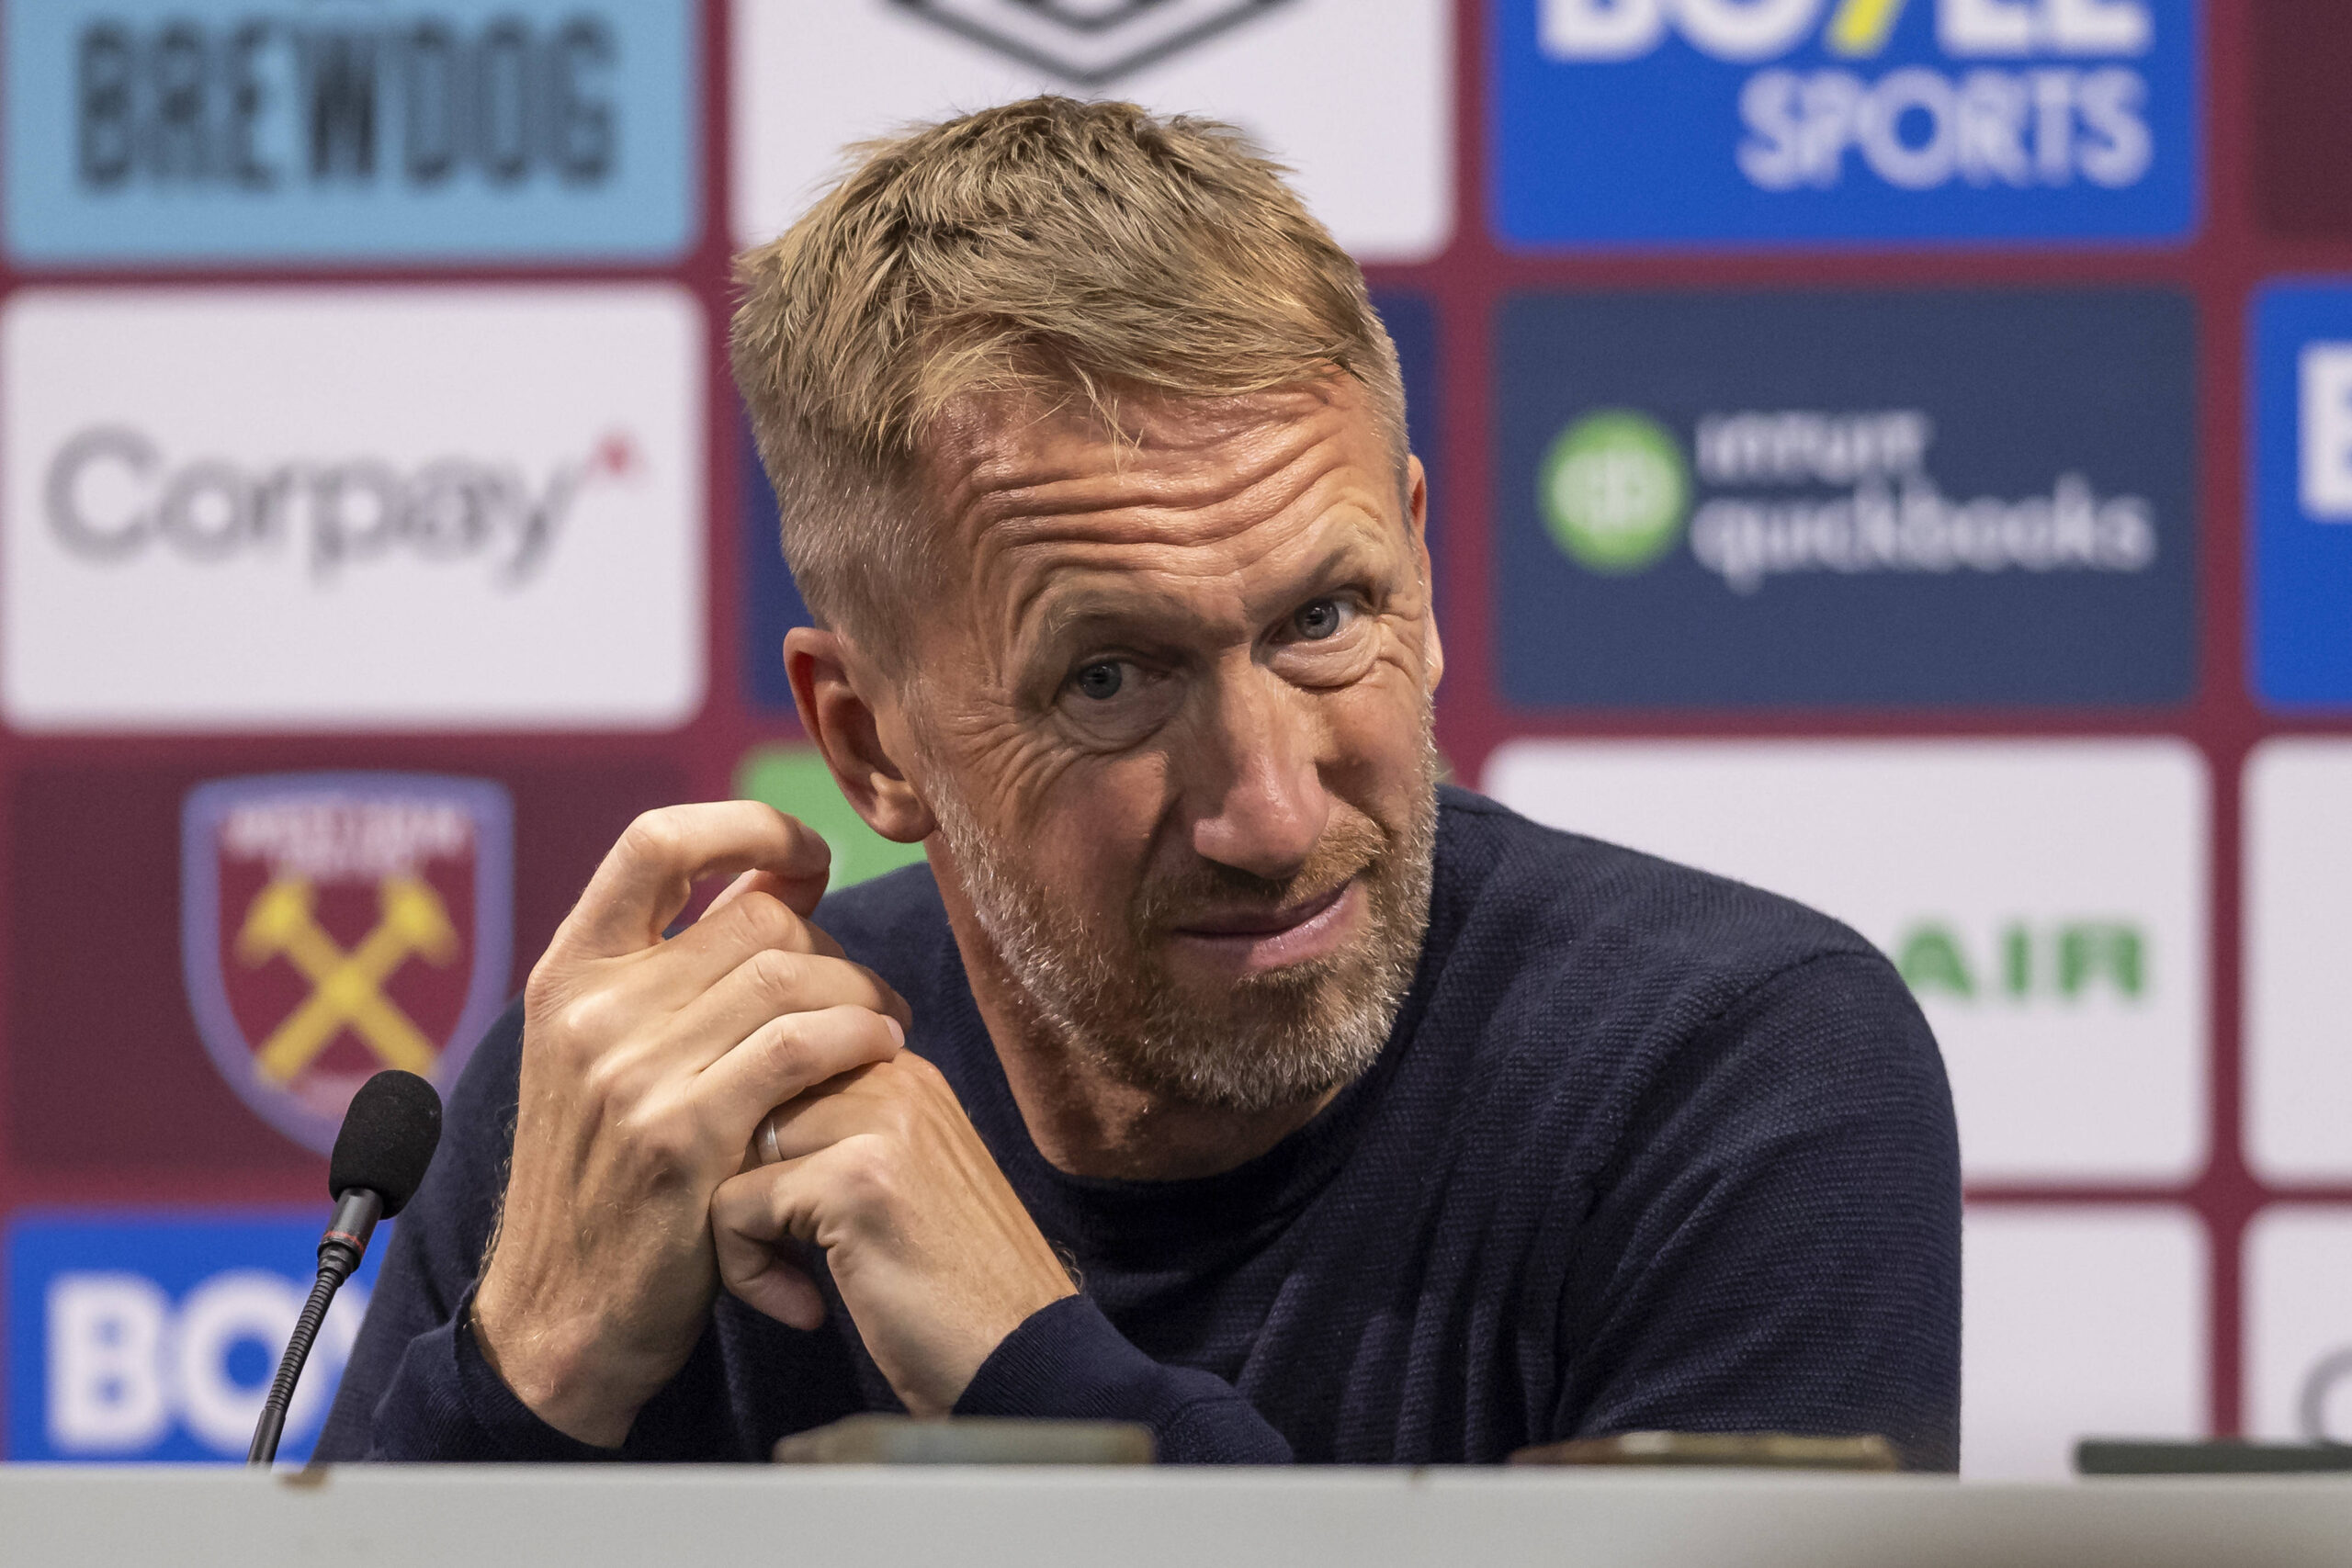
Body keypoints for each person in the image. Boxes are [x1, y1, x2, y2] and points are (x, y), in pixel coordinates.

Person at [321, 97, 1960, 1468]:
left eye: (1326, 618)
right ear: (868, 743)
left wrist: (1036, 1373)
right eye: (1110, 680)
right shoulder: (648, 1109)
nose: (1274, 813)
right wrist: (521, 1384)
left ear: (1424, 574)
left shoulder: (1731, 1072)